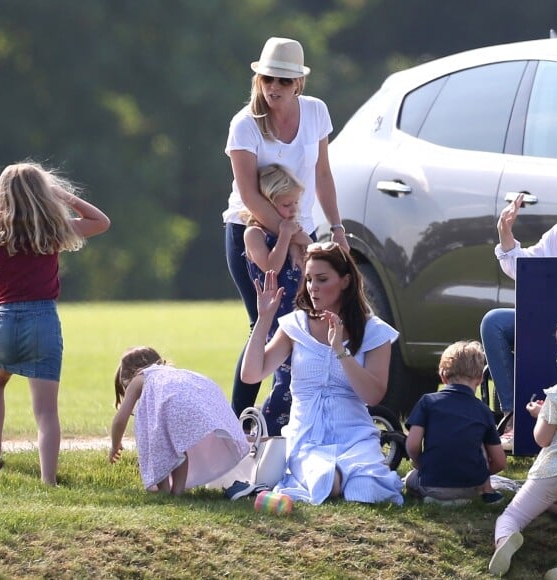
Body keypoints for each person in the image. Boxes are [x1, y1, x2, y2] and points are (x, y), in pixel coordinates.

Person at [223, 36, 349, 419]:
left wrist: (337, 227)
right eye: (267, 79)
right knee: (262, 322)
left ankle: (288, 416)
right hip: (252, 230)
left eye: (282, 80)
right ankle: (237, 423)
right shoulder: (245, 124)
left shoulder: (316, 112)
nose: (273, 88)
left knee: (300, 324)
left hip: (302, 229)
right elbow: (248, 194)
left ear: (298, 84)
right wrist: (290, 232)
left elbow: (323, 173)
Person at [241, 242, 404, 505]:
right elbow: (251, 375)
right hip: (307, 439)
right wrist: (264, 319)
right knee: (328, 483)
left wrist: (341, 349)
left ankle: (362, 474)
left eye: (322, 279)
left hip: (354, 436)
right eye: (308, 279)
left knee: (365, 490)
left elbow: (373, 396)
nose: (312, 287)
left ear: (345, 281)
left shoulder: (373, 330)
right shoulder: (296, 325)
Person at [0, 161, 110, 485]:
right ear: (44, 194)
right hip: (43, 320)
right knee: (45, 412)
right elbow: (101, 221)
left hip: (8, 318)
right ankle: (48, 480)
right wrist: (64, 196)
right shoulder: (54, 231)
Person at [481, 191, 557, 450]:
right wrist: (505, 233)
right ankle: (514, 417)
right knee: (494, 322)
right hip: (550, 318)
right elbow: (525, 267)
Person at [109, 346, 250, 495]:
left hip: (169, 405)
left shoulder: (139, 378)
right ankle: (178, 491)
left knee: (158, 448)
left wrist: (115, 445)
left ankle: (163, 491)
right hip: (192, 400)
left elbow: (120, 420)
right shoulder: (170, 373)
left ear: (129, 375)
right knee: (179, 449)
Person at [488, 315, 557, 578]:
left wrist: (539, 417)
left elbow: (542, 439)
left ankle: (505, 540)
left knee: (511, 516)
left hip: (549, 474)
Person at [404, 340, 507, 506]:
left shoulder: (428, 402)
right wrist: (479, 475)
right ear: (480, 379)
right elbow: (500, 461)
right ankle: (480, 494)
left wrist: (419, 463)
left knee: (410, 479)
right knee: (479, 443)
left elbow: (412, 445)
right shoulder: (483, 410)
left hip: (431, 483)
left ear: (443, 376)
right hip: (471, 486)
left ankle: (436, 499)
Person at [243, 164, 303, 434]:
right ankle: (267, 428)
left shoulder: (293, 236)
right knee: (283, 375)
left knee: (298, 375)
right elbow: (271, 269)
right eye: (285, 204)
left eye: (295, 204)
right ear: (267, 204)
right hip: (274, 311)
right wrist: (286, 236)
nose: (292, 210)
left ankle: (293, 427)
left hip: (299, 311)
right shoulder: (254, 234)